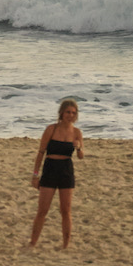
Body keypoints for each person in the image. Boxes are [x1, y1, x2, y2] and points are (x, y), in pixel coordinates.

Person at [29, 98, 85, 249]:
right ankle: (33, 242)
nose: (70, 115)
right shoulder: (51, 129)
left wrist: (79, 148)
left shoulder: (77, 132)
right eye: (68, 112)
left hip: (66, 170)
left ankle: (66, 244)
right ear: (61, 113)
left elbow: (81, 156)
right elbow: (41, 152)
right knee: (42, 210)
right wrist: (35, 174)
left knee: (66, 210)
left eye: (73, 113)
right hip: (50, 168)